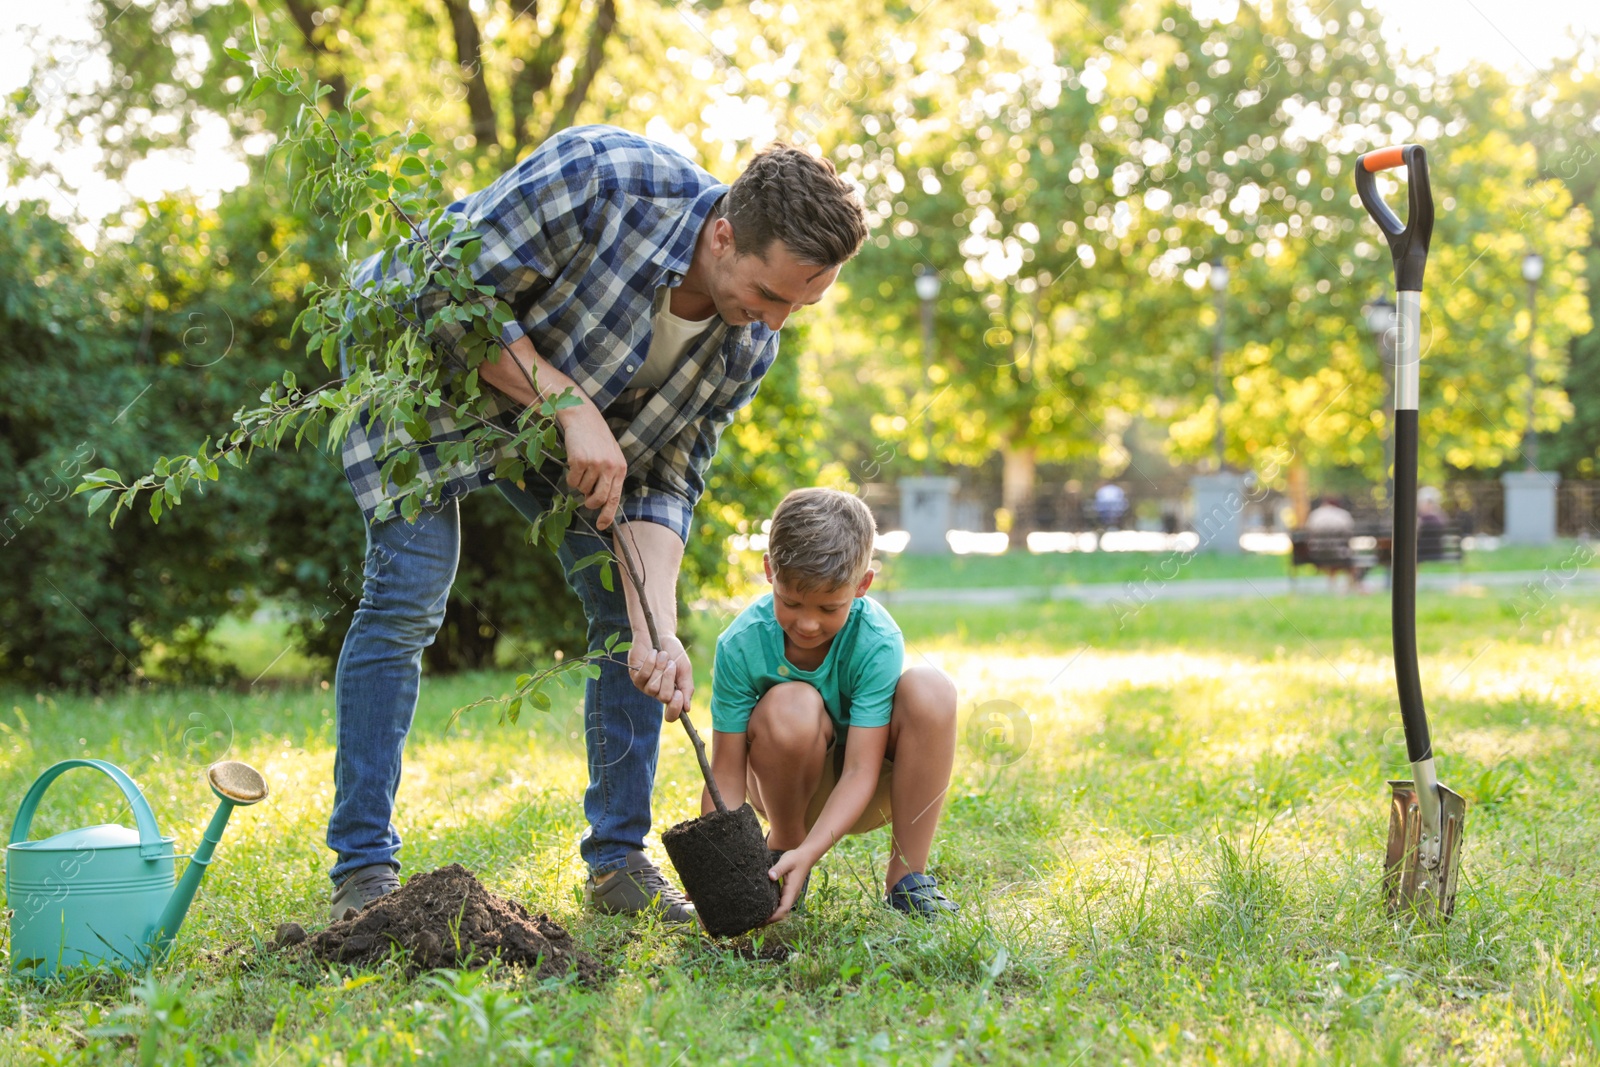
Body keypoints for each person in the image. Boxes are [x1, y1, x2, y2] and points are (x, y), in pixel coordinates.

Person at [326, 126, 869, 923]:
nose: (778, 323)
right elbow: (444, 293)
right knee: (409, 594)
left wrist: (663, 627)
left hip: (555, 420)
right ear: (723, 234)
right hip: (420, 368)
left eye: (799, 304)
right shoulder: (604, 178)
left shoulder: (748, 343)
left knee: (628, 618)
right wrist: (567, 403)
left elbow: (668, 476)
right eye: (772, 293)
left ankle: (618, 865)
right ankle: (365, 869)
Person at [703, 488, 960, 921]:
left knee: (932, 688)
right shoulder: (741, 644)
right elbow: (726, 772)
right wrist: (715, 873)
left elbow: (862, 769)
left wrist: (813, 852)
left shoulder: (876, 639)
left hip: (867, 788)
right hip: (780, 788)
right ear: (769, 572)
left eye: (828, 607)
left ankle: (907, 880)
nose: (807, 622)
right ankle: (781, 851)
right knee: (792, 704)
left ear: (862, 585)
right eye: (791, 602)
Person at [1304, 494, 1365, 590]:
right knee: (1346, 553)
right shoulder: (1343, 515)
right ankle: (1352, 585)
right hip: (1340, 554)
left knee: (1332, 552)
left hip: (1318, 554)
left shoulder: (1314, 515)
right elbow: (1349, 534)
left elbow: (1308, 532)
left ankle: (1334, 585)